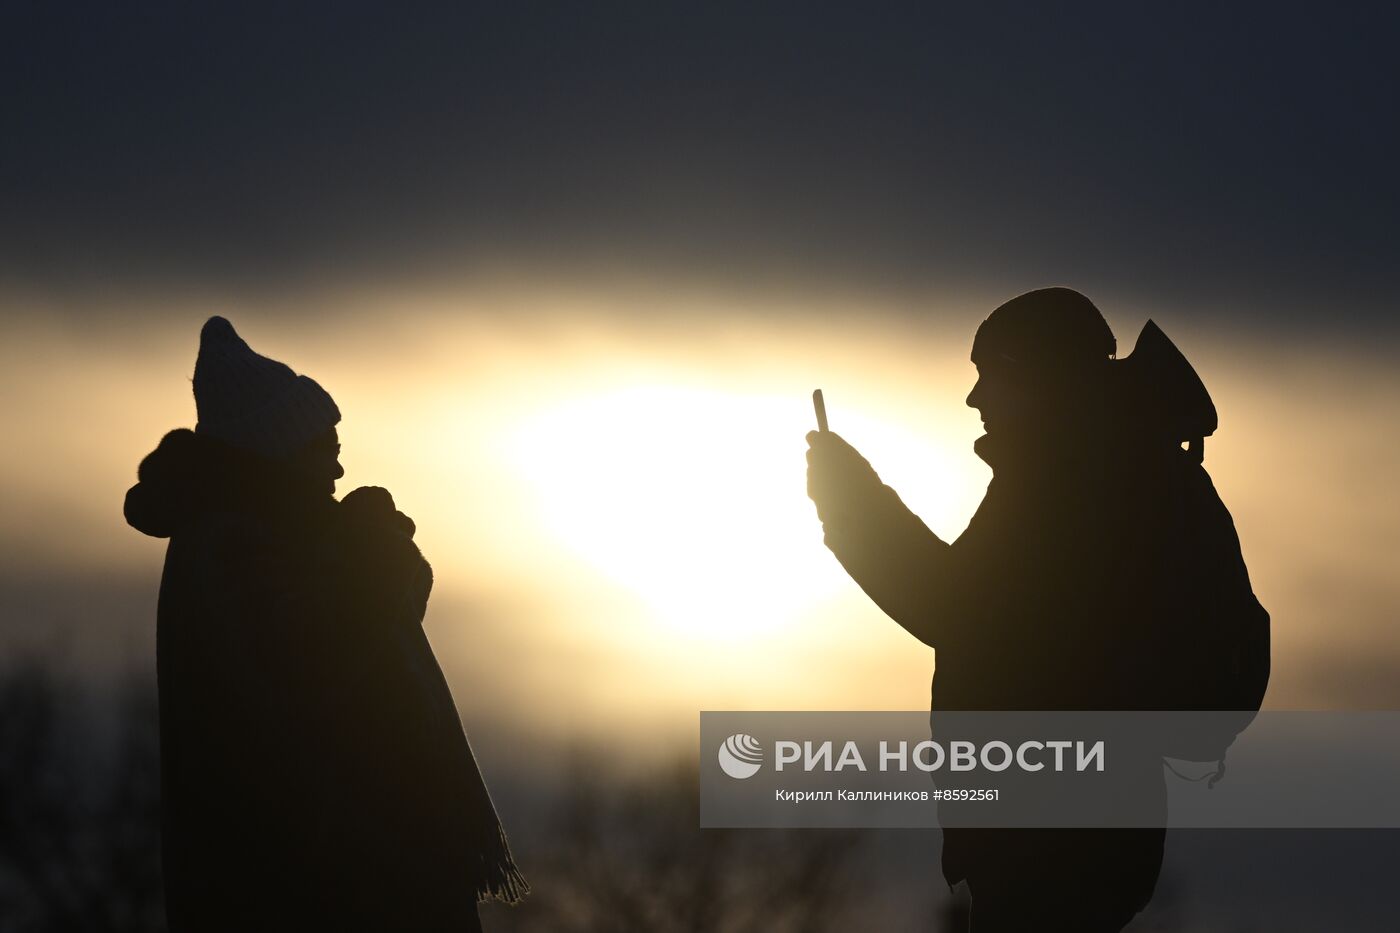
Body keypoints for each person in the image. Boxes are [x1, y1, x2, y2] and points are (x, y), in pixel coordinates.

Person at [805, 288, 1268, 932]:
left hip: (1049, 838)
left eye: (989, 375)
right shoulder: (1119, 467)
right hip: (1086, 832)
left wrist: (851, 503)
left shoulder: (1074, 481)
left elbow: (954, 608)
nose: (975, 398)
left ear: (1035, 377)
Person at [124, 317, 526, 931]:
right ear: (277, 455)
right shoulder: (237, 547)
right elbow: (323, 660)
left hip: (336, 870)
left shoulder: (264, 539)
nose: (337, 474)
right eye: (324, 454)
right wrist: (371, 551)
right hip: (318, 882)